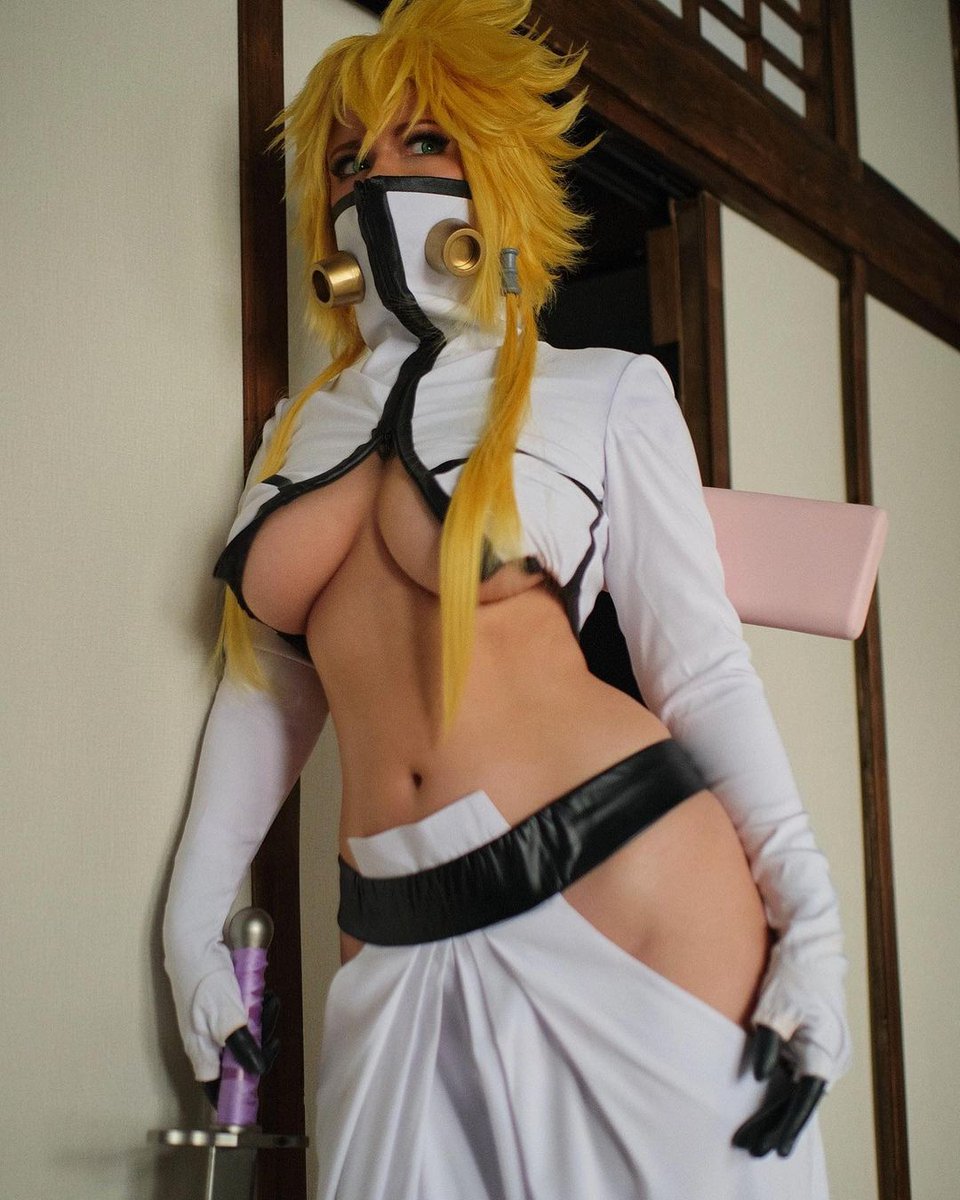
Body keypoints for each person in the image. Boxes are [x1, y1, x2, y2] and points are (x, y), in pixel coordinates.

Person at [163, 1, 850, 1196]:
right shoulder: (291, 432)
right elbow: (267, 693)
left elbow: (699, 671)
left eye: (424, 140)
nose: (377, 177)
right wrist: (188, 929)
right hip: (390, 928)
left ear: (496, 172)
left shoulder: (605, 390)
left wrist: (816, 928)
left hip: (623, 878)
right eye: (349, 158)